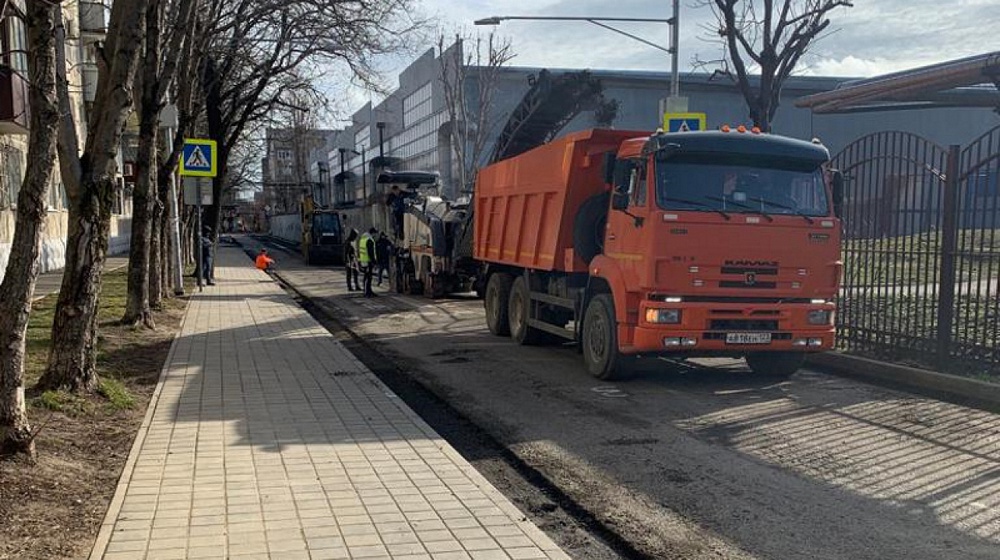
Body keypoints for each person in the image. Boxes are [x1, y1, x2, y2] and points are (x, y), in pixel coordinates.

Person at [358, 227, 377, 297]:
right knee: (368, 277)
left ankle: (368, 291)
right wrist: (374, 262)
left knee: (366, 277)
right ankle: (367, 292)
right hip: (368, 261)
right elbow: (371, 252)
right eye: (375, 233)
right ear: (373, 233)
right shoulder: (369, 240)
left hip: (363, 261)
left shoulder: (362, 239)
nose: (375, 235)